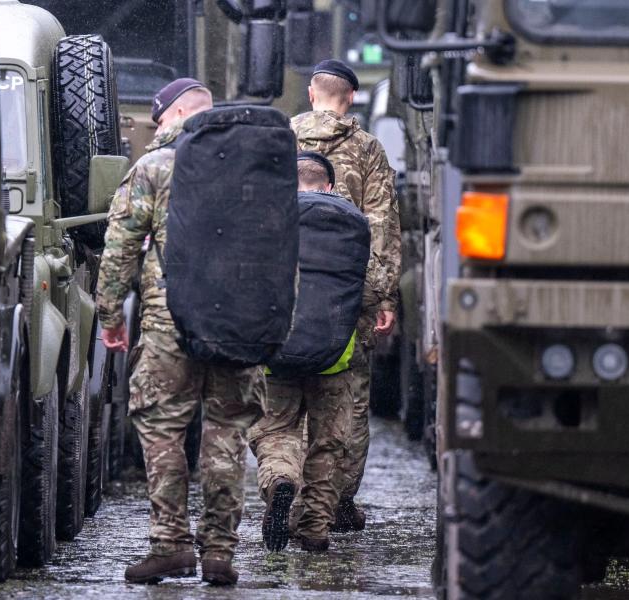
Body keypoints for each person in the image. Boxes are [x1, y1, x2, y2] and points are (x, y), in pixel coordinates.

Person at [96, 78, 263, 586]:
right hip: (237, 319)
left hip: (170, 319)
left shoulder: (154, 166)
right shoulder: (251, 169)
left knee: (162, 425)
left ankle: (170, 544)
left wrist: (109, 314)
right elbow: (276, 248)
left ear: (171, 114)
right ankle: (219, 553)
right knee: (227, 430)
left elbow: (121, 244)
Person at [291, 59, 402, 532]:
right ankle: (335, 501)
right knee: (349, 402)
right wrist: (381, 297)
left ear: (312, 93)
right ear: (351, 97)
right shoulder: (368, 149)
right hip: (346, 296)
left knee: (285, 394)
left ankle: (290, 489)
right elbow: (382, 227)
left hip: (286, 293)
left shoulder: (280, 140)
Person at [249, 152, 356, 553]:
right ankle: (313, 529)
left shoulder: (264, 218)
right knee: (329, 441)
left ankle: (280, 480)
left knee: (275, 430)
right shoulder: (350, 220)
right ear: (328, 185)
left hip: (274, 351)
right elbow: (370, 284)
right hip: (334, 354)